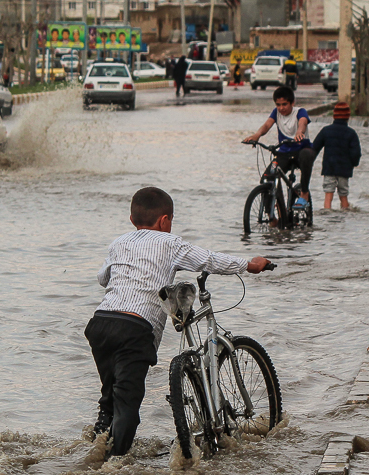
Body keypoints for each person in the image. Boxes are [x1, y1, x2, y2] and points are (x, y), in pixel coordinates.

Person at [86, 187, 270, 459]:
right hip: (134, 329)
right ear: (164, 221)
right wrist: (249, 265)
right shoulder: (170, 244)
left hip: (101, 324)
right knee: (128, 407)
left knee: (111, 396)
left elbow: (103, 278)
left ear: (131, 219)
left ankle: (97, 442)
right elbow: (209, 259)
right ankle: (110, 472)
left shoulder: (119, 242)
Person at [242, 86, 317, 216]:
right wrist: (256, 136)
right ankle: (273, 215)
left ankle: (304, 193)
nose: (281, 108)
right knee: (267, 178)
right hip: (284, 152)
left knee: (306, 155)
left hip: (301, 150)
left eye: (284, 104)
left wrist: (300, 133)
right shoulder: (276, 113)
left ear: (292, 103)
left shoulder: (300, 112)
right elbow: (266, 125)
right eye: (278, 105)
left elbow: (302, 123)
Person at [311, 102, 361, 210]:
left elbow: (314, 148)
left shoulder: (326, 131)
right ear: (348, 117)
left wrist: (309, 161)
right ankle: (344, 213)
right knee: (343, 195)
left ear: (334, 116)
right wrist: (353, 164)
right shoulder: (351, 134)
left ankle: (327, 213)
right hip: (344, 170)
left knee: (328, 194)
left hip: (329, 168)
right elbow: (356, 153)